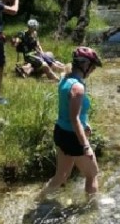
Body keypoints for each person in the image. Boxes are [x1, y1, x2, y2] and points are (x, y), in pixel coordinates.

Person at [40, 46, 103, 199]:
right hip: (73, 137)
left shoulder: (65, 79)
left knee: (61, 175)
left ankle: (40, 199)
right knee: (92, 173)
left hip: (61, 131)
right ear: (85, 65)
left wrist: (85, 123)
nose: (93, 70)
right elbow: (74, 119)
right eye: (93, 66)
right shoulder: (78, 87)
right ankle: (92, 208)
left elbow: (70, 112)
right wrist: (86, 146)